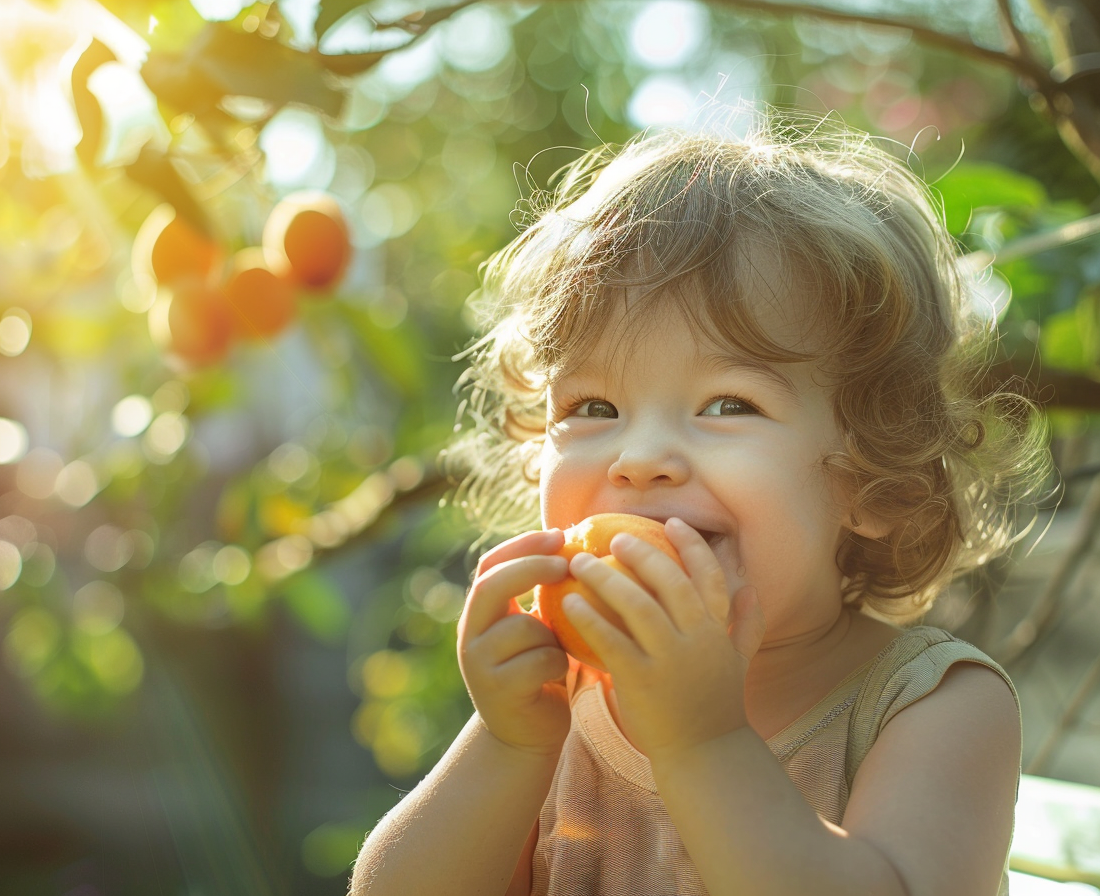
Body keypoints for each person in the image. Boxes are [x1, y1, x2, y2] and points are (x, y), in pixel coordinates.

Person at [349, 111, 1054, 896]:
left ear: (871, 479)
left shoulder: (935, 707)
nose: (639, 458)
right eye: (592, 407)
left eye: (727, 404)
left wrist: (702, 741)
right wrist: (506, 744)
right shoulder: (563, 703)